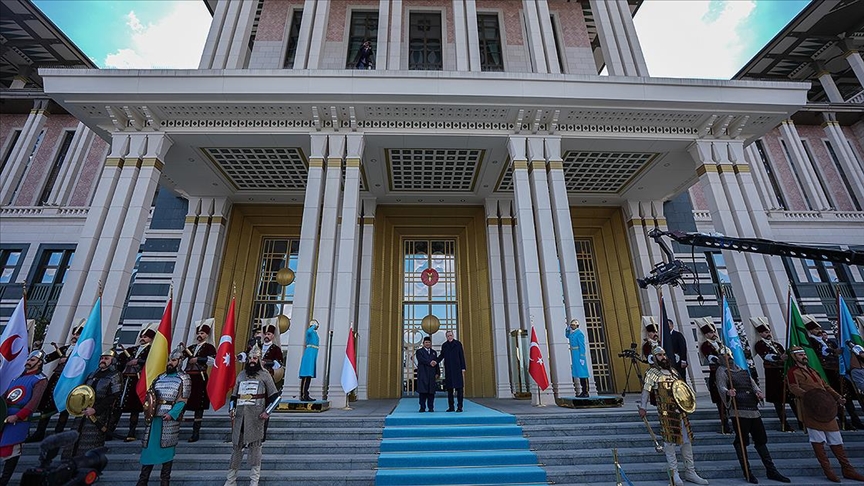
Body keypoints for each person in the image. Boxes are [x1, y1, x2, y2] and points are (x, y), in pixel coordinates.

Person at [786, 346, 864, 482]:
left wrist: (837, 397)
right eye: (800, 355)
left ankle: (847, 469)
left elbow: (825, 386)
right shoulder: (792, 372)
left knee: (836, 438)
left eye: (804, 354)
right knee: (818, 440)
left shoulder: (813, 371)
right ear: (794, 357)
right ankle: (828, 470)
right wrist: (811, 396)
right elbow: (793, 388)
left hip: (826, 408)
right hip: (811, 409)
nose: (804, 356)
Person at [715, 350, 790, 484]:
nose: (728, 358)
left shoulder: (742, 370)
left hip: (753, 409)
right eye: (724, 355)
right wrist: (728, 392)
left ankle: (771, 470)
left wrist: (759, 393)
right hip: (739, 410)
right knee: (741, 442)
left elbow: (752, 384)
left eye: (729, 355)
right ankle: (747, 472)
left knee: (761, 440)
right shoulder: (722, 371)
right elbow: (721, 387)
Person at [638, 347, 708, 486]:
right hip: (666, 413)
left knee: (686, 441)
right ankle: (674, 473)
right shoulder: (652, 373)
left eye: (664, 354)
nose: (663, 357)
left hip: (680, 411)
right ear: (654, 357)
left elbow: (684, 389)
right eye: (659, 355)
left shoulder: (674, 372)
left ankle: (690, 471)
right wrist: (643, 407)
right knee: (669, 443)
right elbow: (646, 391)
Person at [224, 344, 279, 486]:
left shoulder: (265, 375)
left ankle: (254, 481)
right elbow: (234, 396)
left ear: (259, 359)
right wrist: (231, 408)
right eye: (250, 358)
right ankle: (230, 480)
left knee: (255, 449)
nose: (252, 360)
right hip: (240, 416)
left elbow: (275, 397)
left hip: (256, 416)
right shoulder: (241, 375)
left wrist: (267, 412)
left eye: (255, 358)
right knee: (236, 448)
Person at [136, 345, 191, 486]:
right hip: (154, 418)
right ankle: (142, 481)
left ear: (180, 361)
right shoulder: (160, 377)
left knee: (166, 450)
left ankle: (165, 481)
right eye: (169, 360)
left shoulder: (184, 378)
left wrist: (172, 414)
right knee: (148, 450)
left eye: (173, 360)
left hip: (168, 420)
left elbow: (182, 400)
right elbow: (150, 395)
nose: (170, 363)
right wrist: (148, 411)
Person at [26, 322, 83, 442]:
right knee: (47, 405)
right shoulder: (65, 349)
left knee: (64, 406)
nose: (74, 336)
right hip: (56, 378)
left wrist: (68, 361)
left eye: (78, 334)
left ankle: (59, 433)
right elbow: (46, 359)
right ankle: (39, 432)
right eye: (74, 334)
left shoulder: (82, 351)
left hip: (69, 381)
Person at [805, 318, 864, 430]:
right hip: (827, 372)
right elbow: (823, 352)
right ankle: (843, 422)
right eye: (816, 329)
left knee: (848, 396)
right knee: (835, 396)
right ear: (811, 330)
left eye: (819, 328)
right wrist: (833, 351)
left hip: (838, 370)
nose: (819, 330)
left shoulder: (826, 341)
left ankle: (855, 420)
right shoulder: (812, 341)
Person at [64, 348, 121, 459]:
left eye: (106, 358)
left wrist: (96, 409)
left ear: (113, 361)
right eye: (102, 358)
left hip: (99, 414)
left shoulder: (115, 375)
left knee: (91, 444)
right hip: (83, 412)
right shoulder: (92, 374)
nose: (103, 360)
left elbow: (113, 396)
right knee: (74, 442)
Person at [0, 351, 47, 486]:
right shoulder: (16, 379)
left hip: (19, 420)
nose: (29, 362)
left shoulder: (40, 379)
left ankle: (4, 481)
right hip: (4, 416)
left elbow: (34, 402)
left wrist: (18, 416)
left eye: (32, 360)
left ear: (39, 363)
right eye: (28, 359)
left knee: (12, 450)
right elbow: (5, 397)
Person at [751, 319, 797, 431]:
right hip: (773, 375)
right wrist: (779, 358)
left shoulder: (777, 345)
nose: (768, 334)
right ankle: (784, 423)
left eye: (768, 331)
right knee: (778, 401)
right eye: (765, 332)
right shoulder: (760, 345)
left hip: (783, 373)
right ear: (760, 333)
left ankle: (800, 421)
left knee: (792, 399)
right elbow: (766, 356)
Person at [119, 325, 155, 441]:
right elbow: (119, 359)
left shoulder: (152, 350)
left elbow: (153, 361)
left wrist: (138, 361)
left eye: (145, 337)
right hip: (126, 380)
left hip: (138, 380)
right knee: (118, 405)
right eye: (142, 336)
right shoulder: (131, 350)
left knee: (135, 407)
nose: (143, 339)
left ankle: (131, 431)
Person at [183, 320, 216, 442]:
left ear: (206, 335)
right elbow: (179, 357)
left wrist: (198, 359)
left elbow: (213, 360)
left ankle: (195, 432)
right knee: (182, 402)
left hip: (200, 377)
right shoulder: (191, 347)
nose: (200, 335)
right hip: (187, 377)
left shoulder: (209, 347)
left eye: (202, 333)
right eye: (199, 333)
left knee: (198, 405)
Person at [699, 320, 732, 433]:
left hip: (728, 372)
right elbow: (711, 358)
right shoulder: (705, 345)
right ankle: (725, 425)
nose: (713, 334)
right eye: (710, 332)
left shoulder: (721, 344)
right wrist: (721, 359)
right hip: (717, 373)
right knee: (720, 399)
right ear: (706, 334)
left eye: (713, 331)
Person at [439, 330, 466, 412]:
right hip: (449, 370)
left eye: (451, 335)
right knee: (450, 390)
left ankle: (460, 407)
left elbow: (461, 356)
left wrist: (463, 368)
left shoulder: (458, 344)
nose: (449, 337)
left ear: (453, 335)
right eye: (448, 336)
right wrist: (435, 361)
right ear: (446, 337)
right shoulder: (444, 345)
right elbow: (441, 356)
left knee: (459, 389)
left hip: (457, 370)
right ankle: (451, 407)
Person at [565, 319, 589, 398]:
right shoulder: (573, 333)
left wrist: (582, 356)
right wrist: (567, 329)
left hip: (579, 354)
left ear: (577, 326)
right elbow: (567, 336)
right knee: (578, 372)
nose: (572, 327)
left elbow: (582, 346)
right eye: (571, 325)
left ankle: (586, 391)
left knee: (583, 373)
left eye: (573, 325)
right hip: (574, 354)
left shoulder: (579, 334)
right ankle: (583, 391)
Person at [415, 336, 439, 412]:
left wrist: (438, 372)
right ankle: (422, 407)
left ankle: (431, 407)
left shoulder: (434, 352)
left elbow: (436, 363)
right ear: (423, 343)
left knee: (431, 393)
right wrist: (430, 362)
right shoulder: (419, 351)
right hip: (423, 374)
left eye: (429, 342)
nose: (428, 344)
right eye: (426, 342)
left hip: (431, 375)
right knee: (423, 392)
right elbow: (421, 360)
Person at [299, 320, 319, 402]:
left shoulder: (315, 333)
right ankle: (303, 395)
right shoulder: (310, 332)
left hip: (313, 354)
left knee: (309, 376)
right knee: (306, 375)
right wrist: (313, 325)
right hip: (309, 355)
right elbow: (309, 331)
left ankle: (306, 394)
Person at [667, 319, 689, 383]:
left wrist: (683, 360)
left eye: (669, 325)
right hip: (669, 361)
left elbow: (683, 347)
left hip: (678, 360)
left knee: (681, 378)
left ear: (672, 325)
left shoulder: (678, 335)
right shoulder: (663, 337)